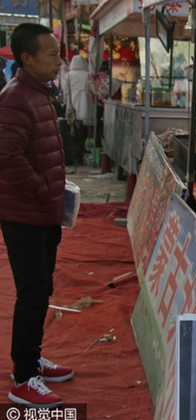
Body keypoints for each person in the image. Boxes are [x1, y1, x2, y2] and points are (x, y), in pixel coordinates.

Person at [0, 23, 74, 408]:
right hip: (25, 215)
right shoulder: (14, 98)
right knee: (32, 293)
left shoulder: (40, 93)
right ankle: (23, 377)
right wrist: (44, 191)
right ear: (27, 59)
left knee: (41, 289)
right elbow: (8, 158)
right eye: (52, 55)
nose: (59, 62)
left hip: (43, 213)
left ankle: (31, 359)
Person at [63, 55, 93, 165]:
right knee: (83, 127)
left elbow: (66, 91)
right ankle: (81, 149)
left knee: (72, 127)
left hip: (72, 103)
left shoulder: (69, 75)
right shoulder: (87, 75)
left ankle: (73, 152)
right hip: (85, 103)